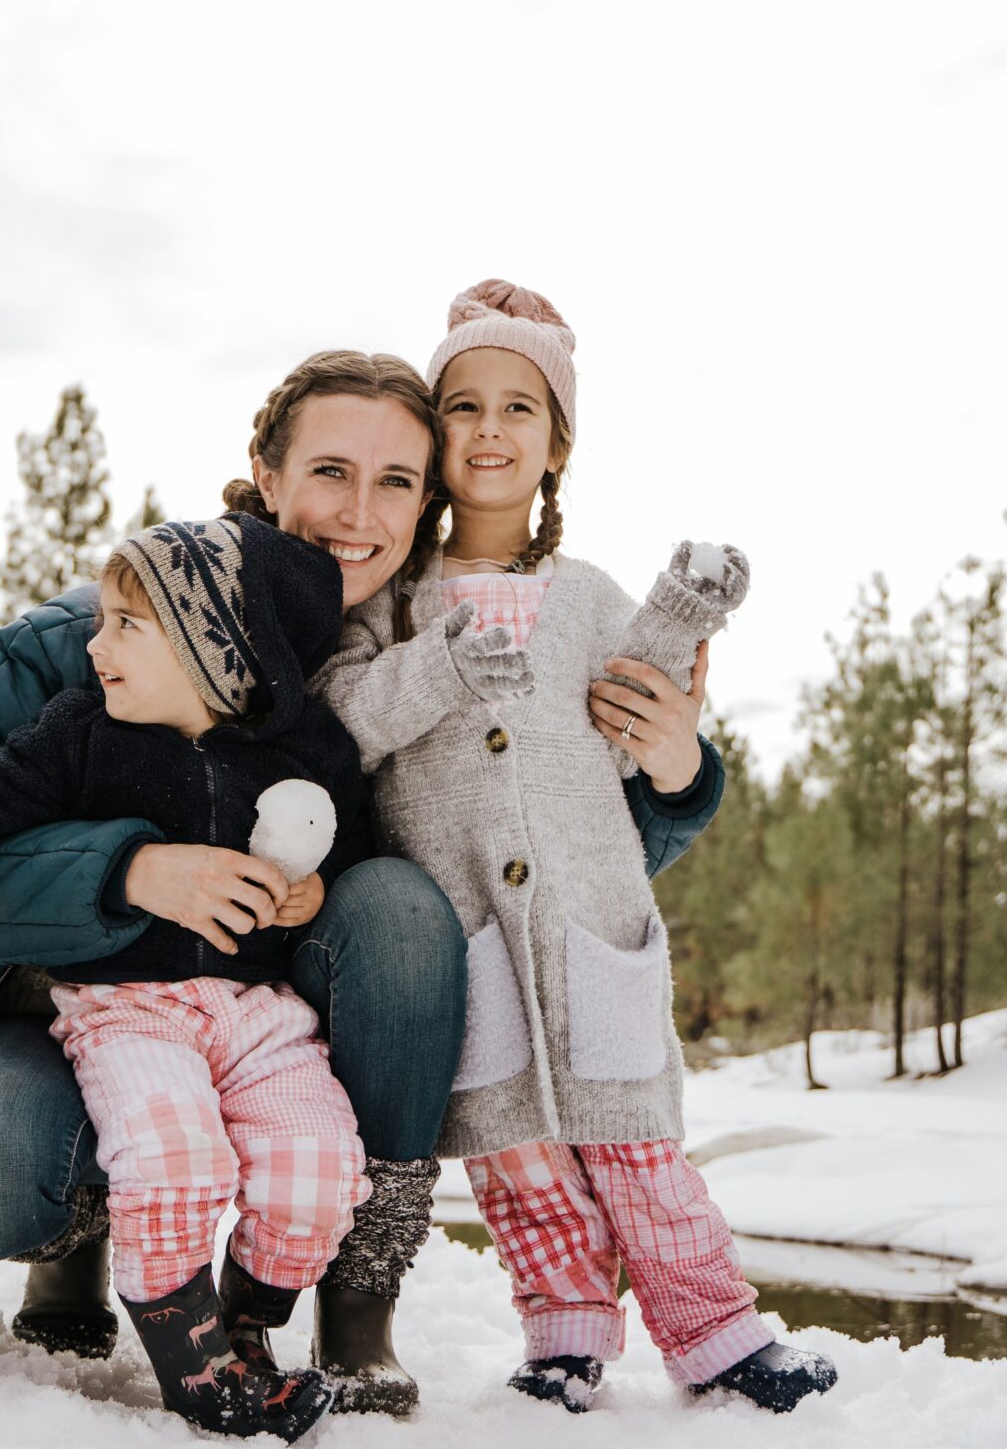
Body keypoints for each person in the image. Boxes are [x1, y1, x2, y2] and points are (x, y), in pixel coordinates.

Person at [0, 348, 729, 1418]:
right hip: (58, 1014)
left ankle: (354, 1306)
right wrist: (130, 870)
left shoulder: (427, 653)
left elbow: (546, 868)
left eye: (397, 481)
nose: (360, 511)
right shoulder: (97, 637)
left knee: (404, 910)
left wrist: (676, 778)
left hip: (270, 1020)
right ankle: (74, 1235)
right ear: (264, 474)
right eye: (329, 471)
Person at [316, 279, 838, 1415]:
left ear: (558, 443)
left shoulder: (590, 597)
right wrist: (444, 661)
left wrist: (685, 623)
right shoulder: (390, 603)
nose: (491, 430)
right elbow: (346, 721)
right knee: (515, 1153)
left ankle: (715, 1332)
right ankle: (562, 1331)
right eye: (464, 406)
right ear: (431, 430)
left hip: (591, 916)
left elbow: (647, 710)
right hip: (465, 928)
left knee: (634, 1138)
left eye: (520, 407)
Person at [0, 516, 366, 1439]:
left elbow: (352, 836)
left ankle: (245, 1318)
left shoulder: (300, 753)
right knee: (173, 1158)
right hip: (130, 1011)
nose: (95, 642)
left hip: (255, 1012)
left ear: (215, 650)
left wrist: (311, 894)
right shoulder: (82, 734)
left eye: (126, 624)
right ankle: (193, 1362)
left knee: (319, 1164)